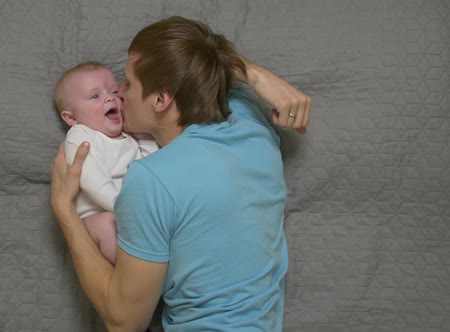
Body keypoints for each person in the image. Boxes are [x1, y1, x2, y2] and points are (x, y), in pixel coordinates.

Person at [50, 16, 311, 332]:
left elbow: (124, 322)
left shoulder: (151, 181)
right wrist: (256, 75)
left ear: (161, 99)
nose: (119, 92)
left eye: (129, 83)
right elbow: (204, 60)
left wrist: (65, 211)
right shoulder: (250, 122)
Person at [53, 62, 158, 265]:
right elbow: (92, 179)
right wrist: (124, 207)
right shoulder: (81, 135)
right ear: (71, 118)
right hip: (95, 217)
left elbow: (151, 167)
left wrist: (145, 136)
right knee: (107, 224)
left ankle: (150, 271)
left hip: (131, 216)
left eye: (114, 91)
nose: (110, 98)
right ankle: (127, 273)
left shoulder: (130, 137)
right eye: (95, 96)